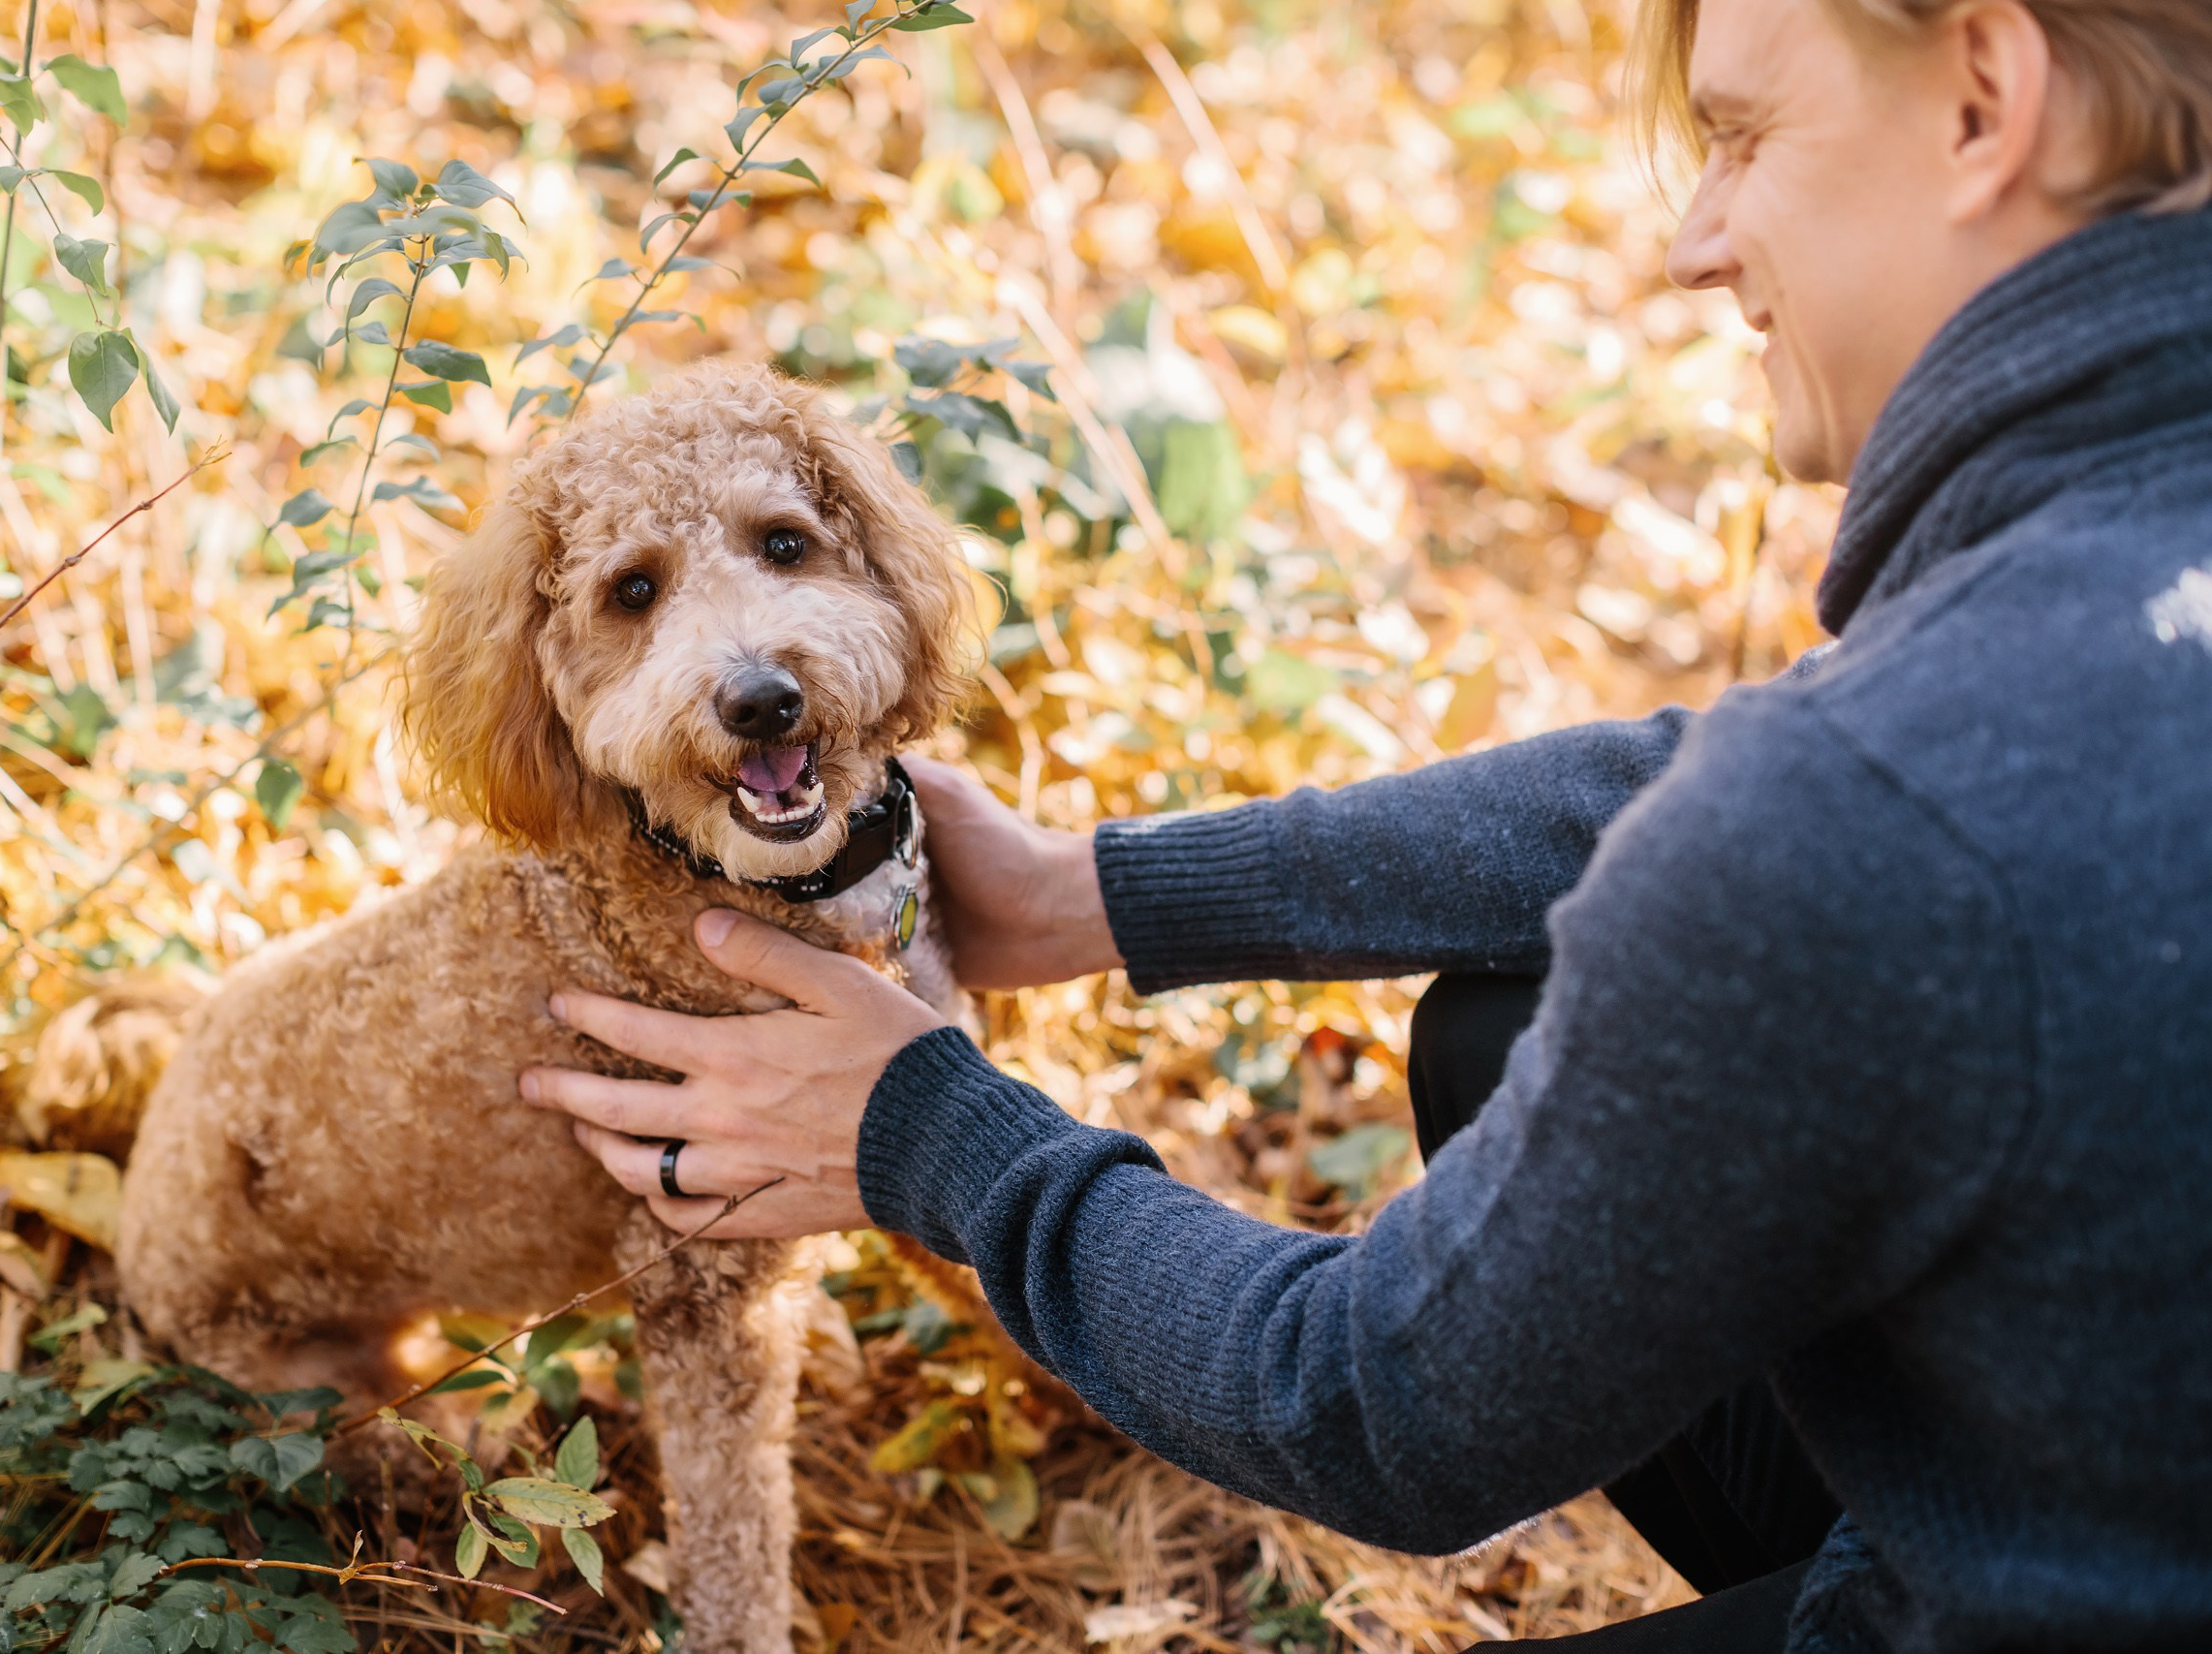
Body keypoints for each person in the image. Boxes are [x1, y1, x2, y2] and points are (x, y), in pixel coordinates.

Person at [514, 0, 2212, 1644]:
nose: (1695, 243)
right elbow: (1706, 793)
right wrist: (1101, 892)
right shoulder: (2099, 597)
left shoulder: (1877, 804)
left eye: (1743, 135)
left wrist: (928, 1132)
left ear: (1984, 94)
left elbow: (1378, 1407)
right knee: (1504, 1033)